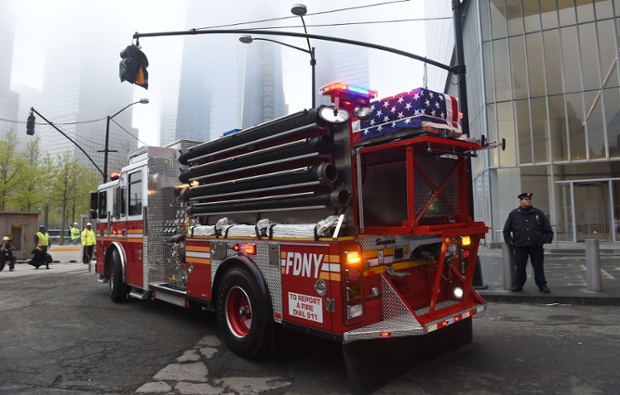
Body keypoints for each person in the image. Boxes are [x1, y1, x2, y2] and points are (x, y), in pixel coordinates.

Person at [503, 192, 554, 293]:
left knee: (538, 266)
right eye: (526, 199)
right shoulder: (514, 214)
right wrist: (510, 241)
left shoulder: (538, 213)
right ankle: (518, 284)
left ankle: (542, 284)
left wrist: (545, 240)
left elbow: (548, 229)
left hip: (536, 245)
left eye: (529, 199)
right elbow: (506, 230)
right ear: (521, 201)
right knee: (520, 266)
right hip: (521, 245)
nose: (528, 201)